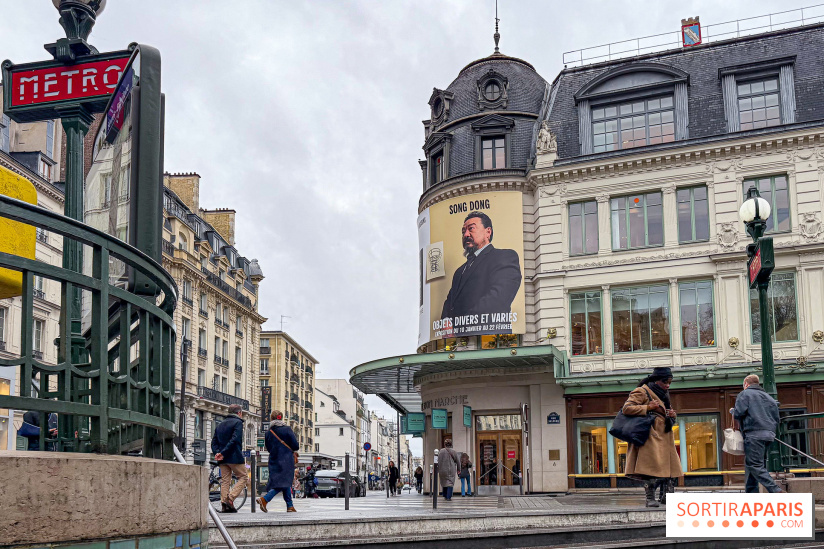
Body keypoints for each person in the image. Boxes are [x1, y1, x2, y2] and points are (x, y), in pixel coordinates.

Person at [440, 212, 522, 331]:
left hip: (492, 339)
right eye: (463, 231)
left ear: (488, 232)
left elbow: (498, 298)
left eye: (471, 229)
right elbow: (449, 304)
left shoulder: (504, 256)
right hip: (459, 342)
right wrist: (447, 327)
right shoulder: (459, 271)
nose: (466, 234)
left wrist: (459, 327)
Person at [621, 367, 683, 507]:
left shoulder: (663, 393)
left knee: (669, 468)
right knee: (652, 468)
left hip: (664, 433)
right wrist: (648, 407)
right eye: (665, 381)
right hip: (650, 434)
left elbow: (664, 412)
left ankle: (666, 497)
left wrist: (672, 415)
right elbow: (627, 408)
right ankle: (650, 498)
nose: (668, 385)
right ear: (656, 380)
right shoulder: (642, 391)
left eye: (670, 382)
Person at [731, 374, 783, 494]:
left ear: (746, 384)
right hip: (769, 435)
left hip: (753, 434)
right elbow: (777, 419)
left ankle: (776, 490)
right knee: (753, 465)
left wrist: (733, 411)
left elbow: (739, 413)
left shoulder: (745, 394)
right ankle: (751, 495)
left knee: (754, 465)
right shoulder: (769, 398)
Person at [256, 410, 299, 513]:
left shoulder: (269, 432)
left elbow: (268, 447)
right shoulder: (287, 429)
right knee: (283, 482)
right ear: (282, 417)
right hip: (286, 460)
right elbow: (295, 446)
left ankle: (290, 506)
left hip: (274, 459)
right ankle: (265, 499)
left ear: (272, 418)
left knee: (285, 482)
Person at [210, 404, 248, 513]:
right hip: (234, 456)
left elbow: (214, 442)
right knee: (244, 477)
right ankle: (230, 499)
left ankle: (224, 505)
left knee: (225, 481)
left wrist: (218, 453)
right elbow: (235, 440)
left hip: (223, 459)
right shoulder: (238, 423)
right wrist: (223, 452)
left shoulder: (220, 424)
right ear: (239, 413)